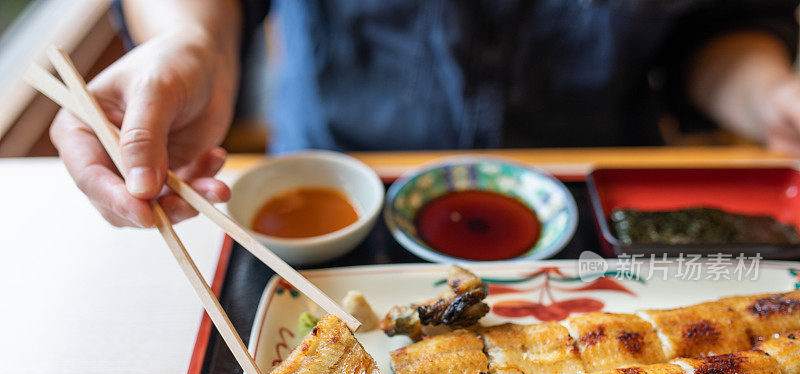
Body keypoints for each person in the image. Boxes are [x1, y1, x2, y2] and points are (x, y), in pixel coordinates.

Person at [51, 0, 800, 229]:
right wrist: (191, 44)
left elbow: (715, 24)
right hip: (336, 194)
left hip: (602, 204)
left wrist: (769, 95)